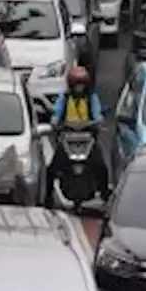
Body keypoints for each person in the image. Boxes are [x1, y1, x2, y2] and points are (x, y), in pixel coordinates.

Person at [47, 66, 110, 200]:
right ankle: (47, 198)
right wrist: (54, 122)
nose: (79, 88)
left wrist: (98, 122)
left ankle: (105, 196)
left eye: (82, 85)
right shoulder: (64, 98)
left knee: (101, 167)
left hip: (88, 138)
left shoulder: (91, 98)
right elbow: (57, 113)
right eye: (76, 85)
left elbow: (97, 114)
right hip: (67, 138)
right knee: (52, 169)